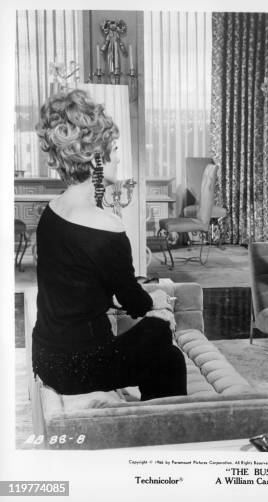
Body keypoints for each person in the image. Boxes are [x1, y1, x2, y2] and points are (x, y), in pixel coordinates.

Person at [32, 89, 187, 401]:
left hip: (46, 356)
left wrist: (146, 298)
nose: (118, 157)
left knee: (169, 360)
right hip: (80, 364)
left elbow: (82, 289)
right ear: (95, 157)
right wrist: (155, 303)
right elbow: (134, 302)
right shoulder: (106, 226)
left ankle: (150, 427)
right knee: (160, 331)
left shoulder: (52, 211)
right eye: (114, 149)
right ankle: (169, 436)